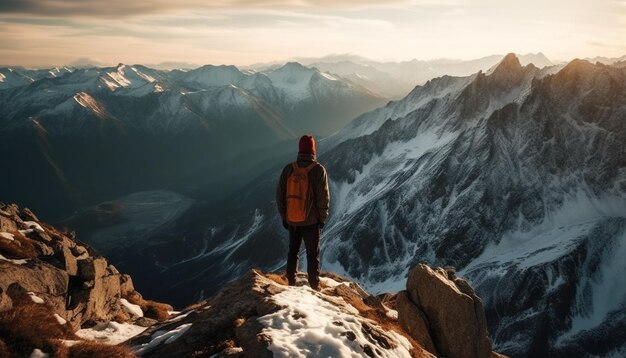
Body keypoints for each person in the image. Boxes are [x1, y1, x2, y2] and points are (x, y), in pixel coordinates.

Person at [276, 135, 330, 290]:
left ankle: (290, 282)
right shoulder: (318, 170)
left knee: (293, 252)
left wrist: (284, 216)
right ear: (313, 150)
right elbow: (323, 197)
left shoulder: (289, 169)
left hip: (292, 220)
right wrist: (322, 218)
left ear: (300, 149)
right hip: (311, 222)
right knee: (313, 255)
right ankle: (314, 285)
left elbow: (280, 195)